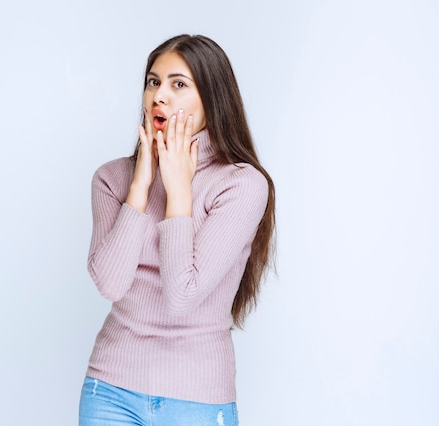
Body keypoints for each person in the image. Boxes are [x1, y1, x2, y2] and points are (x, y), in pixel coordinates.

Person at [78, 34, 276, 426]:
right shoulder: (111, 179)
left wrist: (178, 192)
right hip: (110, 392)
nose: (159, 96)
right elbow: (111, 285)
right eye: (153, 81)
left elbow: (182, 296)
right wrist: (140, 185)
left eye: (178, 84)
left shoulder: (240, 184)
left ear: (211, 98)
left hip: (197, 400)